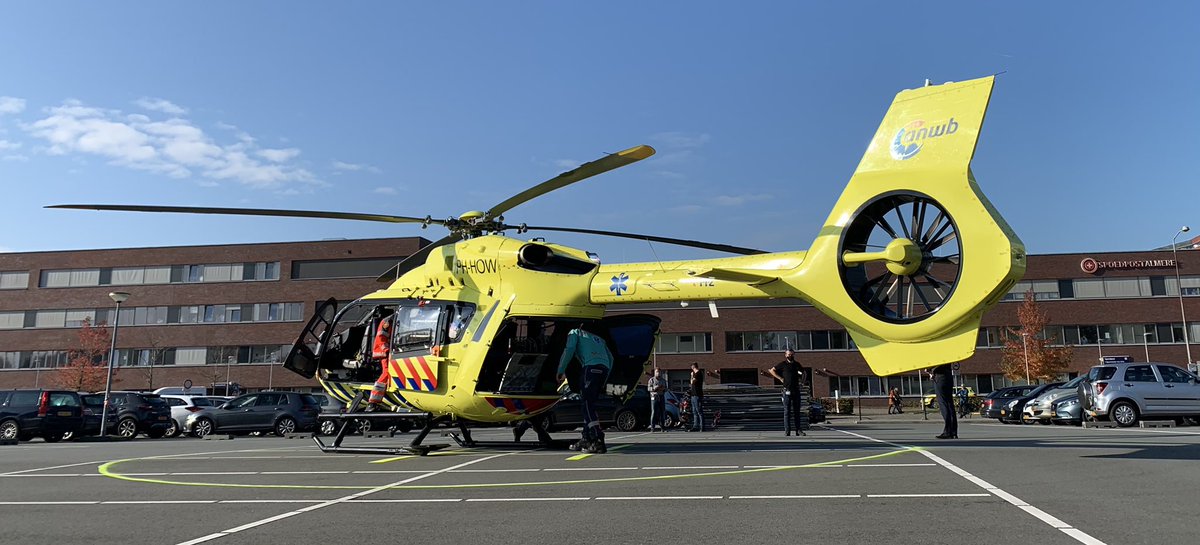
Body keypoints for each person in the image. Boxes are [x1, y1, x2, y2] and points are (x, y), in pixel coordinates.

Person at [556, 324, 614, 454]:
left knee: (587, 405)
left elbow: (569, 349)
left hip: (590, 368)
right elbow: (611, 359)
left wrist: (561, 370)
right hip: (603, 369)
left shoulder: (575, 332)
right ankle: (586, 437)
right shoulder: (600, 339)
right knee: (590, 405)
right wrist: (604, 379)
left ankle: (597, 438)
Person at [768, 349, 806, 436]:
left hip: (796, 390)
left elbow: (804, 373)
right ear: (785, 355)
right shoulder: (782, 364)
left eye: (792, 354)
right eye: (789, 354)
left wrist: (802, 382)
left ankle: (798, 430)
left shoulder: (797, 364)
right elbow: (772, 370)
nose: (790, 356)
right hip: (786, 391)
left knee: (797, 411)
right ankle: (787, 430)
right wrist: (780, 378)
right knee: (787, 411)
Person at [931, 364, 957, 439]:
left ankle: (947, 431)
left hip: (940, 376)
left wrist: (931, 370)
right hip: (948, 376)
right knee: (950, 404)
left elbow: (938, 363)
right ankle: (953, 431)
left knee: (943, 403)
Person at [648, 367, 667, 432]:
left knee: (662, 412)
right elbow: (648, 388)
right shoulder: (651, 380)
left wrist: (663, 388)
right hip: (654, 397)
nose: (658, 373)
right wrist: (654, 388)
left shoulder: (663, 380)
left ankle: (663, 427)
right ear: (655, 372)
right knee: (654, 412)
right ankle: (652, 427)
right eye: (657, 372)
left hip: (661, 396)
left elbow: (666, 389)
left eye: (659, 372)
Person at [687, 362, 704, 432]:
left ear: (693, 367)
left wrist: (691, 376)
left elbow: (692, 382)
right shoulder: (695, 374)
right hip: (693, 395)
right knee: (694, 412)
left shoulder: (698, 374)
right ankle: (695, 426)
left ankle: (702, 426)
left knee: (699, 411)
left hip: (697, 395)